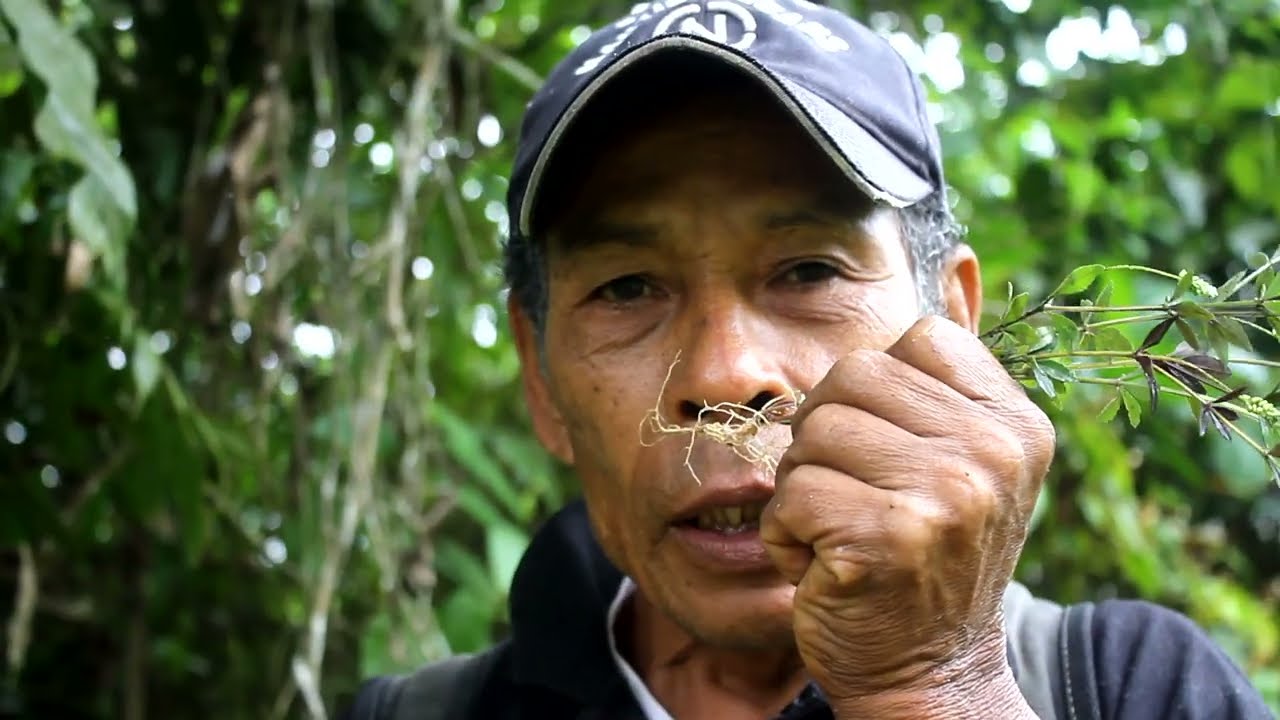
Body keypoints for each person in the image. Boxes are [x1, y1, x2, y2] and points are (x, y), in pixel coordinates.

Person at [344, 2, 1275, 718]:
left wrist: (938, 686)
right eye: (628, 288)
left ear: (950, 326)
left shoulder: (1131, 690)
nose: (722, 377)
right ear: (542, 380)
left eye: (808, 269)